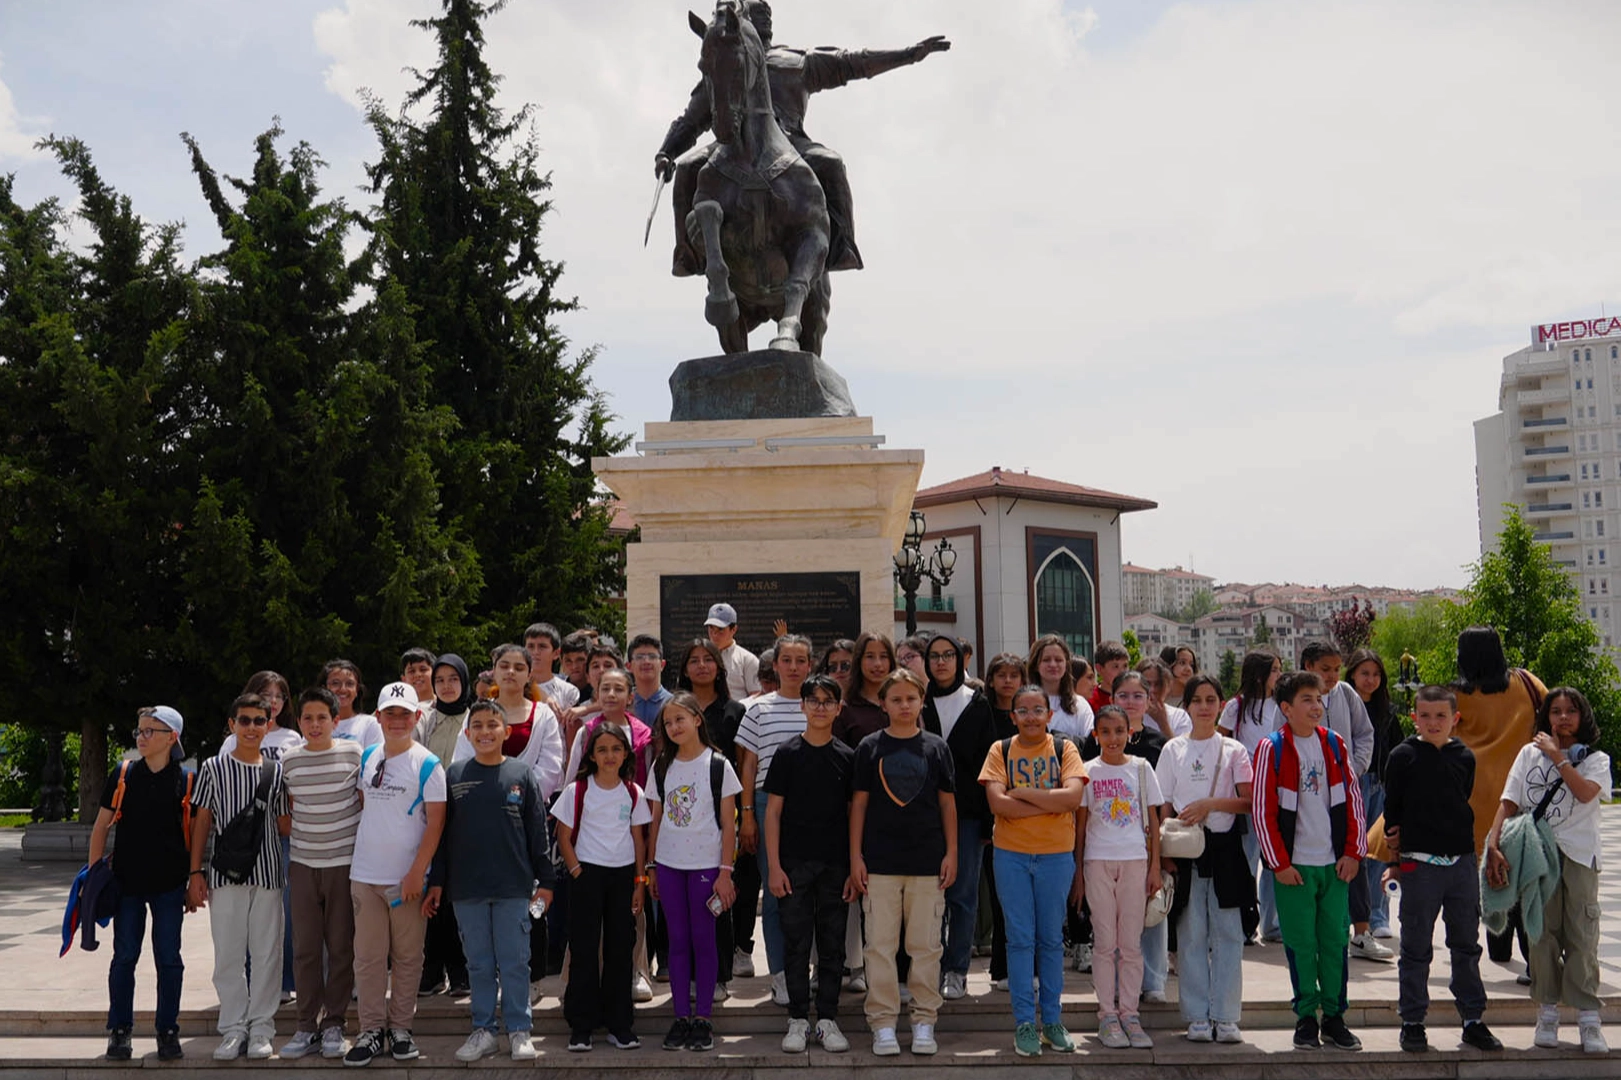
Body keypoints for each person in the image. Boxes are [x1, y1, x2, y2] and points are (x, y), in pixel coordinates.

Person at [1486, 686, 1612, 1054]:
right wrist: (1493, 845)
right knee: (1541, 934)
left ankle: (1589, 1019)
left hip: (1579, 856)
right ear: (1544, 717)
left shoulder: (1595, 759)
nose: (1562, 718)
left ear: (1583, 716)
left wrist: (1559, 758)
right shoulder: (1528, 754)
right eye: (1555, 711)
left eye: (1570, 711)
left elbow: (1587, 793)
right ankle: (1547, 1013)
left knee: (1582, 934)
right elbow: (1509, 801)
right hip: (1538, 855)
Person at [1382, 685, 1502, 1055]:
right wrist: (1394, 863)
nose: (1433, 722)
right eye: (1425, 715)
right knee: (1416, 946)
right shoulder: (1402, 756)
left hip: (1461, 863)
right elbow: (1393, 813)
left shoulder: (1464, 756)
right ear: (1414, 717)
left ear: (1455, 719)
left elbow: (1461, 797)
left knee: (1466, 944)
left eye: (1441, 716)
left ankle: (1472, 1019)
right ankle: (1413, 1021)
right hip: (1419, 864)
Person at [1251, 671, 1366, 1052]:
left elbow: (1353, 799)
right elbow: (1262, 809)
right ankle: (1305, 1017)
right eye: (1306, 700)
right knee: (1302, 946)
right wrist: (1278, 864)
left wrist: (1353, 853)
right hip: (1294, 869)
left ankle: (1334, 1016)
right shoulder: (1273, 748)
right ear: (1286, 708)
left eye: (1318, 699)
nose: (1316, 706)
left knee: (1334, 942)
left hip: (1334, 866)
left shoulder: (1334, 744)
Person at [438, 699, 555, 1063]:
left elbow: (538, 833)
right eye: (478, 726)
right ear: (468, 732)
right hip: (467, 889)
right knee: (479, 963)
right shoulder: (454, 775)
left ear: (506, 731)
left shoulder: (522, 774)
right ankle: (484, 1030)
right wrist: (437, 883)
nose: (486, 732)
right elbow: (442, 836)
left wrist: (546, 881)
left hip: (513, 887)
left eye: (493, 725)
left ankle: (519, 1029)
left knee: (516, 960)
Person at [850, 668, 957, 1057]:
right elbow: (858, 805)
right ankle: (882, 1024)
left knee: (926, 946)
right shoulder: (868, 747)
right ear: (883, 704)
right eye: (895, 699)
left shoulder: (935, 747)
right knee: (878, 946)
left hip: (927, 862)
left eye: (911, 699)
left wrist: (952, 853)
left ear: (921, 702)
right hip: (879, 863)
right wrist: (855, 857)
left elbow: (948, 803)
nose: (904, 705)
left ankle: (924, 1020)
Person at [979, 685, 1086, 1057]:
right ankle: (1025, 1023)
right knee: (1020, 941)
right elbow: (997, 804)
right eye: (1022, 711)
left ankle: (1053, 1021)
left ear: (1049, 715)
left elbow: (1073, 798)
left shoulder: (1064, 748)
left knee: (1051, 941)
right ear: (1013, 717)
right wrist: (1049, 803)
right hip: (1011, 856)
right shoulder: (1000, 749)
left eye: (1037, 710)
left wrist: (1020, 793)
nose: (1030, 717)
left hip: (1056, 856)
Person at [344, 682, 447, 1067]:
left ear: (416, 717)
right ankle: (371, 1029)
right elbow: (364, 805)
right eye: (391, 713)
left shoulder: (428, 765)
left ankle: (401, 1027)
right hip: (365, 874)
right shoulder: (369, 756)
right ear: (379, 717)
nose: (398, 720)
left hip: (406, 880)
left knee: (407, 957)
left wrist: (417, 872)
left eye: (405, 713)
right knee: (368, 958)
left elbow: (436, 824)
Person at [189, 694, 290, 1061]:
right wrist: (195, 870)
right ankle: (233, 1027)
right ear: (232, 725)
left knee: (266, 954)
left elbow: (283, 823)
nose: (251, 727)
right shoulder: (214, 768)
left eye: (258, 721)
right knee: (228, 955)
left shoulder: (277, 771)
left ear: (268, 725)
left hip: (267, 874)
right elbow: (202, 820)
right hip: (224, 874)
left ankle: (262, 1027)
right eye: (244, 720)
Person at [89, 706, 192, 1063]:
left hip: (169, 885)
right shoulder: (123, 774)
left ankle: (167, 1031)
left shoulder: (186, 781)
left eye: (151, 731)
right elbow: (101, 827)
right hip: (127, 885)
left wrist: (194, 880)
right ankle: (120, 1031)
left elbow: (195, 833)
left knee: (169, 959)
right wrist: (93, 876)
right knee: (124, 957)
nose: (142, 737)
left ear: (171, 738)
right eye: (140, 730)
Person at [1155, 674, 1252, 1045]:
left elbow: (1248, 801)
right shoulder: (1173, 750)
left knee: (1228, 933)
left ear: (1221, 704)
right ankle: (1196, 1015)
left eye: (1212, 699)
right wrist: (1162, 854)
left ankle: (1226, 1016)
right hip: (1184, 850)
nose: (1205, 707)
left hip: (1225, 849)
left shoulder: (1234, 750)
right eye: (1197, 700)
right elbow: (1163, 805)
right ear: (1188, 706)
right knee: (1191, 933)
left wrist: (1211, 804)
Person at [765, 673, 856, 1054]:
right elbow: (772, 813)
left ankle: (829, 1019)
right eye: (813, 700)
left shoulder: (848, 757)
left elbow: (854, 815)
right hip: (793, 863)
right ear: (801, 706)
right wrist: (773, 866)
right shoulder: (786, 754)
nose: (820, 707)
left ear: (838, 708)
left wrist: (855, 866)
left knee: (833, 944)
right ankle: (798, 1018)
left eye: (827, 701)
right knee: (797, 942)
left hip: (836, 864)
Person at [647, 692, 742, 1052]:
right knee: (677, 943)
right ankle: (680, 1017)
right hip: (670, 866)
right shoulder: (661, 766)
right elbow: (656, 818)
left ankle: (703, 1017)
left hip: (706, 867)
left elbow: (730, 825)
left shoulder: (718, 765)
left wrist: (726, 871)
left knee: (704, 941)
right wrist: (652, 867)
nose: (673, 727)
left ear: (697, 720)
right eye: (667, 723)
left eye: (679, 719)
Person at [552, 724, 652, 1053]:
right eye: (602, 750)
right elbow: (563, 836)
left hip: (623, 878)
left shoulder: (633, 792)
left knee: (620, 950)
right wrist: (577, 870)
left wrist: (639, 882)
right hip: (587, 876)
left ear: (626, 754)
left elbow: (639, 839)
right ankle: (581, 1025)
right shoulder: (577, 790)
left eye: (616, 749)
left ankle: (619, 1023)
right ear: (592, 756)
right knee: (583, 950)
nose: (609, 756)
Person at [277, 688, 362, 1061]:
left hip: (344, 864)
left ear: (335, 720)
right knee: (306, 948)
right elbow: (285, 812)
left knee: (341, 947)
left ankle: (335, 1024)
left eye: (322, 718)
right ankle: (306, 1024)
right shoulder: (289, 761)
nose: (314, 725)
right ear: (299, 723)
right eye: (308, 718)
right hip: (303, 864)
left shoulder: (354, 754)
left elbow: (362, 802)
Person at [1452, 625, 1546, 964]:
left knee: (1486, 871)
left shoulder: (1457, 695)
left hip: (1473, 796)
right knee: (1520, 869)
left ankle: (1498, 947)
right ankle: (1532, 954)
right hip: (1519, 794)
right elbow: (1551, 712)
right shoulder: (1526, 682)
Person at [1072, 704, 1161, 1050]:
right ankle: (1107, 1015)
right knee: (1105, 942)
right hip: (1097, 861)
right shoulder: (1087, 771)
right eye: (1105, 732)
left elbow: (1153, 822)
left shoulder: (1141, 768)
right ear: (1095, 735)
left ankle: (1130, 1013)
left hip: (1136, 861)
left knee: (1131, 945)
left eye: (1119, 731)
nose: (1112, 738)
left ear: (1130, 733)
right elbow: (1080, 827)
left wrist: (1154, 866)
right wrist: (1077, 871)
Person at [736, 634, 815, 1005]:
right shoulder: (758, 709)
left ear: (810, 665)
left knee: (814, 891)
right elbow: (748, 765)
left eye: (801, 660)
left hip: (814, 806)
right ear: (776, 665)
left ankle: (810, 969)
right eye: (788, 660)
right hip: (769, 805)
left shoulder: (820, 705)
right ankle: (781, 973)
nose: (794, 667)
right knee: (775, 893)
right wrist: (748, 814)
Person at [920, 633, 996, 1001]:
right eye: (933, 656)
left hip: (967, 816)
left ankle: (956, 969)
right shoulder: (916, 701)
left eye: (948, 655)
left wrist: (986, 820)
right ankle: (929, 967)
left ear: (961, 659)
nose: (941, 662)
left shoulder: (978, 704)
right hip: (923, 816)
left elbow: (988, 766)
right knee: (928, 896)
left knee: (963, 895)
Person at [674, 637, 749, 999]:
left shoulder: (735, 711)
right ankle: (685, 973)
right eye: (694, 660)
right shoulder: (674, 709)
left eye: (708, 659)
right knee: (683, 906)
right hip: (682, 817)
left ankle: (718, 975)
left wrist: (744, 816)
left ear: (719, 668)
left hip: (721, 813)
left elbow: (742, 764)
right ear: (684, 668)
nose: (701, 665)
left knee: (718, 895)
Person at [415, 655, 472, 999]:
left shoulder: (475, 716)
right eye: (440, 680)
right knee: (430, 893)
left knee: (456, 896)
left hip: (465, 816)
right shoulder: (426, 719)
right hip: (428, 815)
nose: (447, 685)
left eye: (454, 678)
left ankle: (461, 969)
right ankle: (432, 970)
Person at [1219, 648, 1282, 942]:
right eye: (1274, 670)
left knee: (1274, 857)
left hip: (1276, 787)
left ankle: (1273, 923)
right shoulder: (1237, 706)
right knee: (1247, 856)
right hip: (1246, 789)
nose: (1279, 676)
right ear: (1259, 674)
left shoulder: (1282, 704)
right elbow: (1223, 740)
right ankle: (1245, 923)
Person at [1344, 648, 1404, 944]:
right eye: (1365, 673)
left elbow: (1399, 753)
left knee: (1380, 851)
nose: (1370, 680)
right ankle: (1352, 917)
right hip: (1351, 785)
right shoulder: (1341, 708)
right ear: (1352, 674)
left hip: (1381, 786)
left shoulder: (1389, 713)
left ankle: (1379, 916)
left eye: (1376, 674)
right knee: (1352, 851)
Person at [980, 653, 1026, 990]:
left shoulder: (1029, 716)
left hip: (1029, 819)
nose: (1007, 681)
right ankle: (1001, 969)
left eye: (1014, 675)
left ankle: (1024, 968)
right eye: (1001, 674)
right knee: (999, 900)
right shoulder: (980, 714)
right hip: (989, 818)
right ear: (991, 679)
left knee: (1022, 904)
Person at [833, 631, 893, 750]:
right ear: (858, 660)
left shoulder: (903, 702)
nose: (877, 664)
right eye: (870, 656)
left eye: (883, 656)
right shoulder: (845, 709)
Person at [1027, 635, 1093, 740]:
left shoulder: (1079, 704)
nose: (1053, 664)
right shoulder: (1024, 702)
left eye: (1058, 660)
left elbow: (1090, 742)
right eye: (1046, 660)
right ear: (1035, 665)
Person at [705, 602, 762, 700]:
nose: (714, 634)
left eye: (720, 629)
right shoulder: (699, 657)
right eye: (711, 628)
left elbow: (757, 696)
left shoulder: (747, 659)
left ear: (734, 629)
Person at [321, 660, 383, 748]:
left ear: (357, 689)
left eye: (349, 684)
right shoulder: (315, 724)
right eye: (335, 683)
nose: (343, 689)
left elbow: (375, 759)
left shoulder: (370, 725)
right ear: (324, 689)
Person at [525, 622, 582, 712]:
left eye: (542, 646)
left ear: (556, 653)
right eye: (530, 646)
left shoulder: (568, 691)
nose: (535, 652)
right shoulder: (513, 685)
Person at [1137, 657, 1192, 740]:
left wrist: (1163, 723)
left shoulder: (1179, 716)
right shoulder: (1129, 713)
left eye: (1157, 684)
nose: (1152, 690)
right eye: (1146, 684)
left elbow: (1181, 751)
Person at [627, 634, 674, 725]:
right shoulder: (623, 702)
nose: (646, 662)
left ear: (662, 665)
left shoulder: (672, 702)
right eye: (639, 657)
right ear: (629, 666)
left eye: (652, 657)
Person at [1089, 641, 1131, 714]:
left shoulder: (1133, 698)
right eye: (1115, 666)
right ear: (1099, 669)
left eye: (1125, 666)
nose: (1122, 672)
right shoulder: (1090, 700)